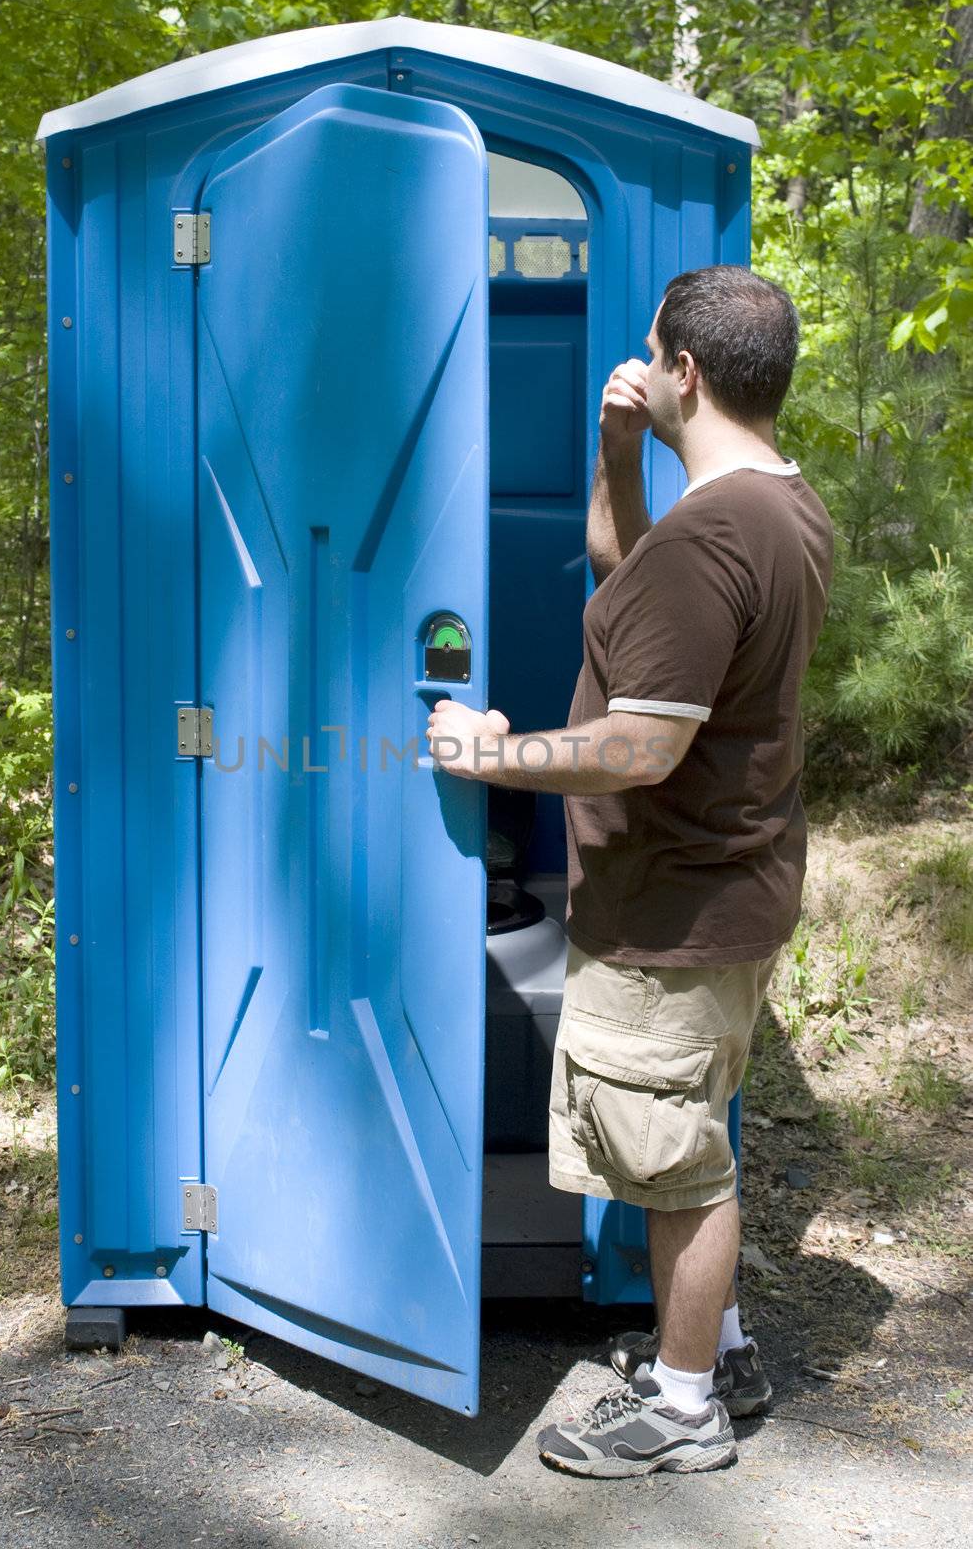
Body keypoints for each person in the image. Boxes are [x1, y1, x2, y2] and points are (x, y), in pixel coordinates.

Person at [426, 264, 834, 1478]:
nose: (642, 367)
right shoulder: (777, 506)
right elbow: (632, 580)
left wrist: (491, 756)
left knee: (673, 1163)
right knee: (680, 1132)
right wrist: (617, 448)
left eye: (651, 354)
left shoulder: (715, 535)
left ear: (685, 371)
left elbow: (639, 747)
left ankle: (684, 1404)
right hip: (734, 885)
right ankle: (722, 1344)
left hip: (673, 906)